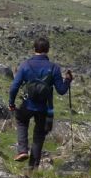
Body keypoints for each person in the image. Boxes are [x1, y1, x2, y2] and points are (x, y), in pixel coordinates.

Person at [8, 36, 72, 169]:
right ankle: (32, 168)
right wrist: (67, 80)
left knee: (21, 120)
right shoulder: (54, 68)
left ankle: (22, 150)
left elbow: (14, 86)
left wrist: (11, 103)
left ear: (34, 49)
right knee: (39, 135)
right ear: (47, 50)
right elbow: (61, 91)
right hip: (45, 107)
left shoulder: (25, 65)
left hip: (28, 104)